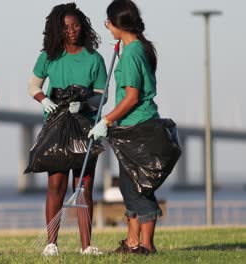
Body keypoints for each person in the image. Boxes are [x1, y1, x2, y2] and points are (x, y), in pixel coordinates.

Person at [28, 3, 107, 256]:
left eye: (75, 25)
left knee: (83, 186)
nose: (71, 31)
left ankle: (87, 245)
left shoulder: (94, 58)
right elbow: (33, 85)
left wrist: (84, 104)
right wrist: (44, 99)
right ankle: (51, 244)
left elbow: (102, 97)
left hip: (86, 127)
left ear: (82, 26)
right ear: (57, 30)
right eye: (65, 27)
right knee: (56, 186)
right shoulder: (49, 57)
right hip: (56, 127)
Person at [88, 0, 162, 255]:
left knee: (139, 187)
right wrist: (121, 52)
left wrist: (105, 121)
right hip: (137, 128)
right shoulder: (136, 48)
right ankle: (132, 243)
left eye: (108, 22)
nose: (107, 26)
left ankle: (147, 245)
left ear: (118, 23)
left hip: (137, 128)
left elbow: (131, 97)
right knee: (128, 186)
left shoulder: (132, 53)